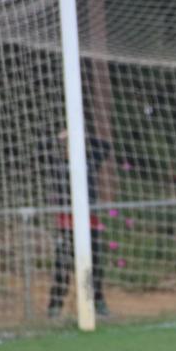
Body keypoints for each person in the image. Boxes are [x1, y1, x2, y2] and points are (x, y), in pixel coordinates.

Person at [47, 128, 111, 319]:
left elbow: (105, 148)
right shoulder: (58, 166)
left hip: (90, 223)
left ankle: (97, 302)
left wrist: (84, 134)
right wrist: (59, 138)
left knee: (95, 265)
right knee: (62, 265)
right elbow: (41, 151)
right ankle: (55, 306)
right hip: (67, 225)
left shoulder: (90, 163)